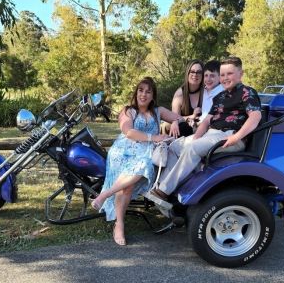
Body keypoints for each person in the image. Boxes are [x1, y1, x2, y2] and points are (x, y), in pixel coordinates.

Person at [149, 56, 262, 202]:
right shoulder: (220, 96)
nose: (225, 78)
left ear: (241, 74)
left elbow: (255, 117)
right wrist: (195, 137)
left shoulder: (247, 92)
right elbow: (207, 120)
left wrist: (236, 137)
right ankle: (167, 189)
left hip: (230, 136)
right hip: (211, 135)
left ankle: (163, 191)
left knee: (193, 148)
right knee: (175, 146)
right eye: (222, 75)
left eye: (230, 74)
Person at [91, 77, 184, 246]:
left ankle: (105, 195)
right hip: (125, 151)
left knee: (136, 174)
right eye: (141, 90)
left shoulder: (158, 111)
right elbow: (129, 132)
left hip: (145, 153)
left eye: (148, 91)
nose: (144, 94)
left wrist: (176, 122)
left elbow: (180, 117)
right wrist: (153, 137)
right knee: (128, 184)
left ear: (153, 95)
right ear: (136, 92)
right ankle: (119, 224)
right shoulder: (128, 111)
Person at [162, 60, 204, 136]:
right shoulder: (179, 94)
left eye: (199, 72)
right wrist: (192, 116)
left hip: (201, 126)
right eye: (192, 71)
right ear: (187, 73)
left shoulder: (206, 92)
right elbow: (174, 119)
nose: (195, 74)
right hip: (183, 129)